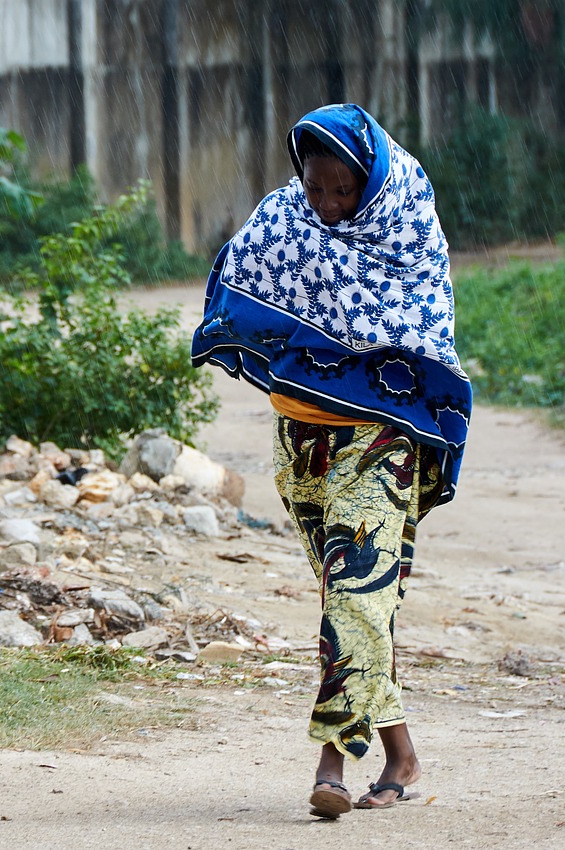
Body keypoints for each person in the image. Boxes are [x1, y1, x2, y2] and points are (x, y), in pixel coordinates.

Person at [191, 104, 471, 819]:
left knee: (354, 597)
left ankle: (333, 762)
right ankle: (402, 754)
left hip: (384, 440)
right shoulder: (288, 217)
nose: (327, 205)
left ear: (369, 181)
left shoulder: (406, 223)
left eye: (341, 190)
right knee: (357, 602)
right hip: (303, 443)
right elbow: (238, 278)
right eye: (314, 187)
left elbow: (424, 328)